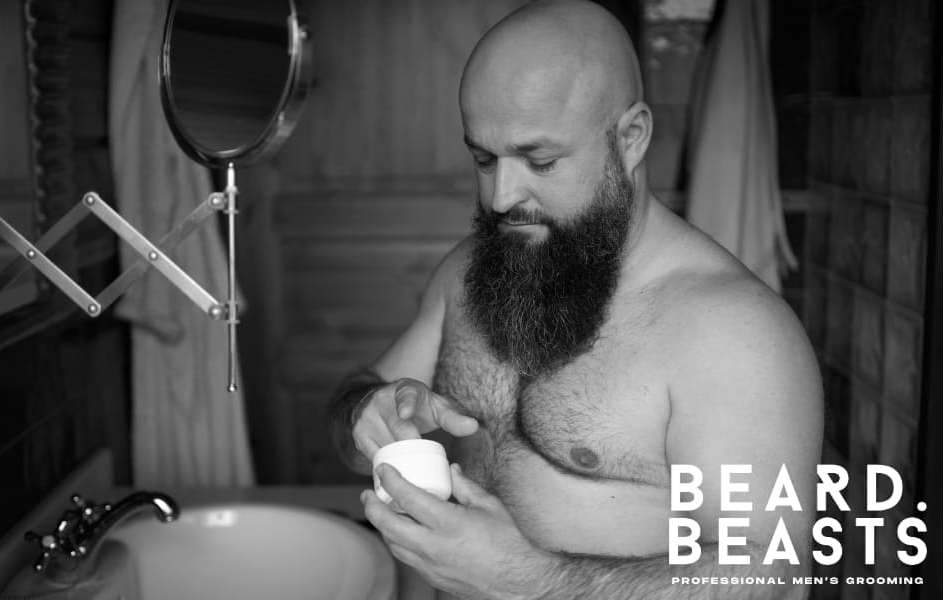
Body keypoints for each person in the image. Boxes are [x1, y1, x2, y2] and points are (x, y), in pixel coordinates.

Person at [325, 0, 823, 598]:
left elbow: (773, 577)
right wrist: (364, 415)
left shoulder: (735, 334)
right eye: (484, 159)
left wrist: (534, 581)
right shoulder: (469, 273)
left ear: (631, 138)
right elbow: (353, 426)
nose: (503, 196)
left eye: (540, 160)